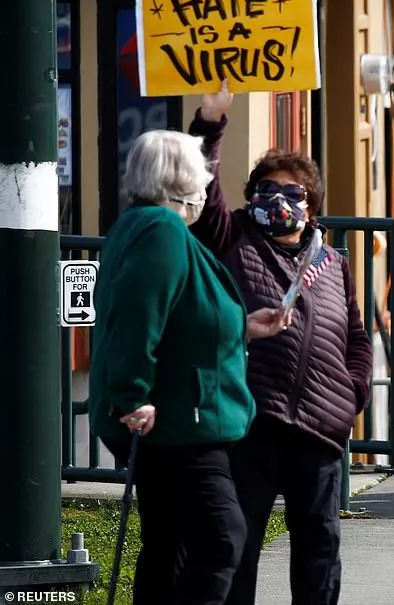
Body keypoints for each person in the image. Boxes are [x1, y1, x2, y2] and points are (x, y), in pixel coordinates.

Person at [189, 82, 373, 605]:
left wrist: (354, 390)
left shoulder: (333, 263)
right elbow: (202, 188)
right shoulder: (232, 237)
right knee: (238, 543)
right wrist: (211, 121)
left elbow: (356, 337)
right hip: (252, 421)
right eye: (266, 190)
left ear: (310, 206)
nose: (278, 201)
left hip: (321, 426)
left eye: (291, 193)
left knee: (319, 545)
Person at [89, 130, 290, 605]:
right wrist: (133, 393)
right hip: (181, 420)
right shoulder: (161, 231)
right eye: (201, 173)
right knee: (222, 537)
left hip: (176, 416)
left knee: (170, 543)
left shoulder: (144, 227)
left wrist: (243, 325)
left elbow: (181, 315)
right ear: (183, 180)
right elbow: (140, 315)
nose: (206, 183)